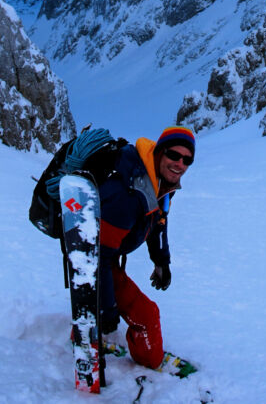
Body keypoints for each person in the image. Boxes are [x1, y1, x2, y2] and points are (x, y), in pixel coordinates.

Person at [96, 125, 196, 369]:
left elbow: (159, 220)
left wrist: (161, 261)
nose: (180, 164)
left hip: (104, 252)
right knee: (146, 315)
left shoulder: (158, 183)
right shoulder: (127, 194)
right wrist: (106, 310)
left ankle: (92, 327)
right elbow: (99, 259)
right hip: (91, 257)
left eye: (187, 160)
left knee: (110, 299)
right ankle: (150, 361)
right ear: (160, 152)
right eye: (174, 155)